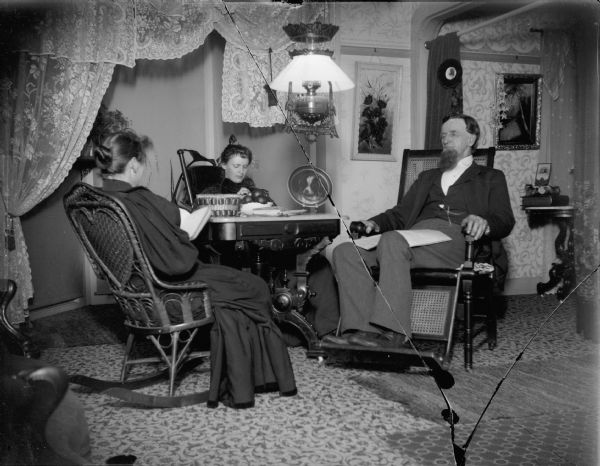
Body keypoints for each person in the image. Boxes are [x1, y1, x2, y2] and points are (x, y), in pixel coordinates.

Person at [94, 130, 296, 408]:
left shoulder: (100, 201)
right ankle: (258, 378)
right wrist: (207, 212)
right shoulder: (139, 199)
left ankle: (240, 381)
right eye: (145, 165)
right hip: (172, 292)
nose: (145, 170)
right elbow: (183, 237)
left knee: (230, 303)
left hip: (137, 294)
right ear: (132, 166)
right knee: (255, 286)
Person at [326, 114, 515, 348]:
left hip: (458, 240)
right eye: (443, 135)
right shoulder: (428, 177)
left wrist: (484, 221)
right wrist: (374, 223)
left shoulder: (490, 177)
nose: (446, 140)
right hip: (413, 239)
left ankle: (392, 333)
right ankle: (361, 332)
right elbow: (400, 214)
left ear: (472, 139)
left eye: (453, 134)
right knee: (346, 251)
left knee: (393, 241)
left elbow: (505, 220)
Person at [201, 134, 273, 203]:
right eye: (236, 166)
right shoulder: (211, 193)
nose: (241, 171)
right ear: (224, 164)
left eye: (245, 167)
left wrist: (252, 199)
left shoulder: (250, 189)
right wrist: (236, 200)